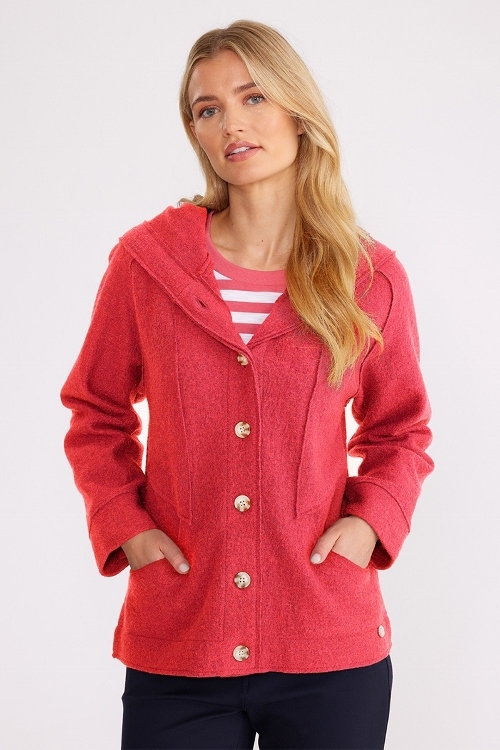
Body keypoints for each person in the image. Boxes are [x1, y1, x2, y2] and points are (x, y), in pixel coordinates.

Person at [61, 19, 433, 750]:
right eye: (208, 109)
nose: (231, 122)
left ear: (297, 109)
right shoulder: (146, 264)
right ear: (196, 133)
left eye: (253, 97)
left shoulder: (368, 276)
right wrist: (125, 524)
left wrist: (370, 524)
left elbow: (402, 430)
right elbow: (95, 412)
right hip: (182, 638)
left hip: (329, 645)